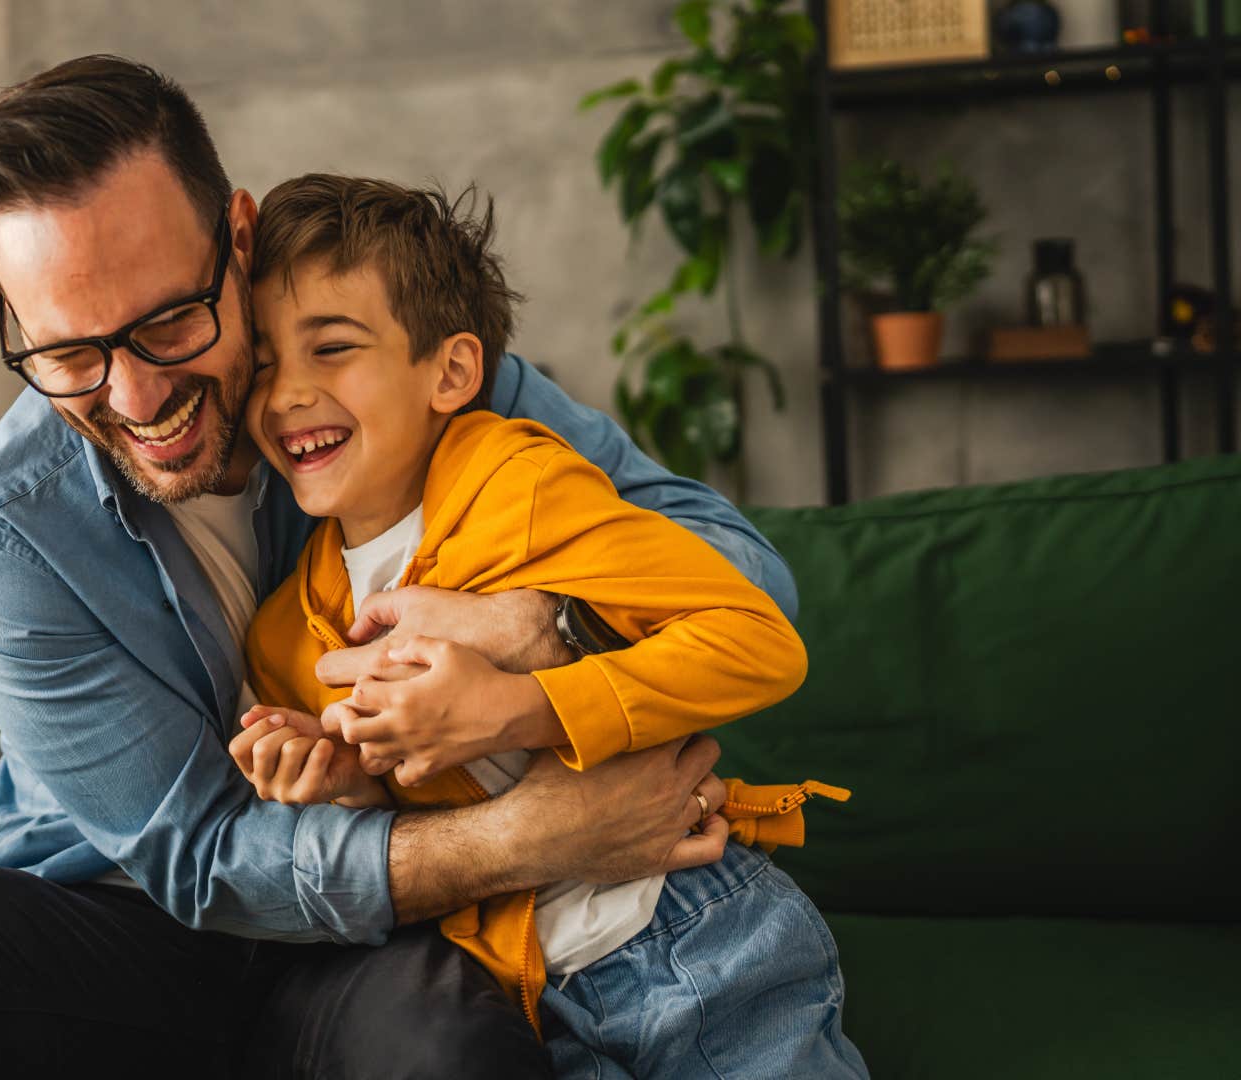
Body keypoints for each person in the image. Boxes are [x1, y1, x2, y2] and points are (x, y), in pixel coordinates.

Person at [0, 54, 802, 1079]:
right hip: (121, 930)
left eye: (166, 323)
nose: (135, 401)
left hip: (377, 934)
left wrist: (541, 630)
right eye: (67, 353)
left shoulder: (400, 372)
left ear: (237, 237)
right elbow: (199, 860)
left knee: (444, 1050)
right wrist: (525, 838)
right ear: (13, 319)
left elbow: (746, 579)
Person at [226, 174, 864, 1077]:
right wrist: (341, 778)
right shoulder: (288, 634)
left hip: (690, 931)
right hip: (531, 988)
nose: (286, 392)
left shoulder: (518, 482)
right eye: (260, 362)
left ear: (451, 371)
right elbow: (424, 817)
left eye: (331, 348)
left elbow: (756, 640)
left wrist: (523, 704)